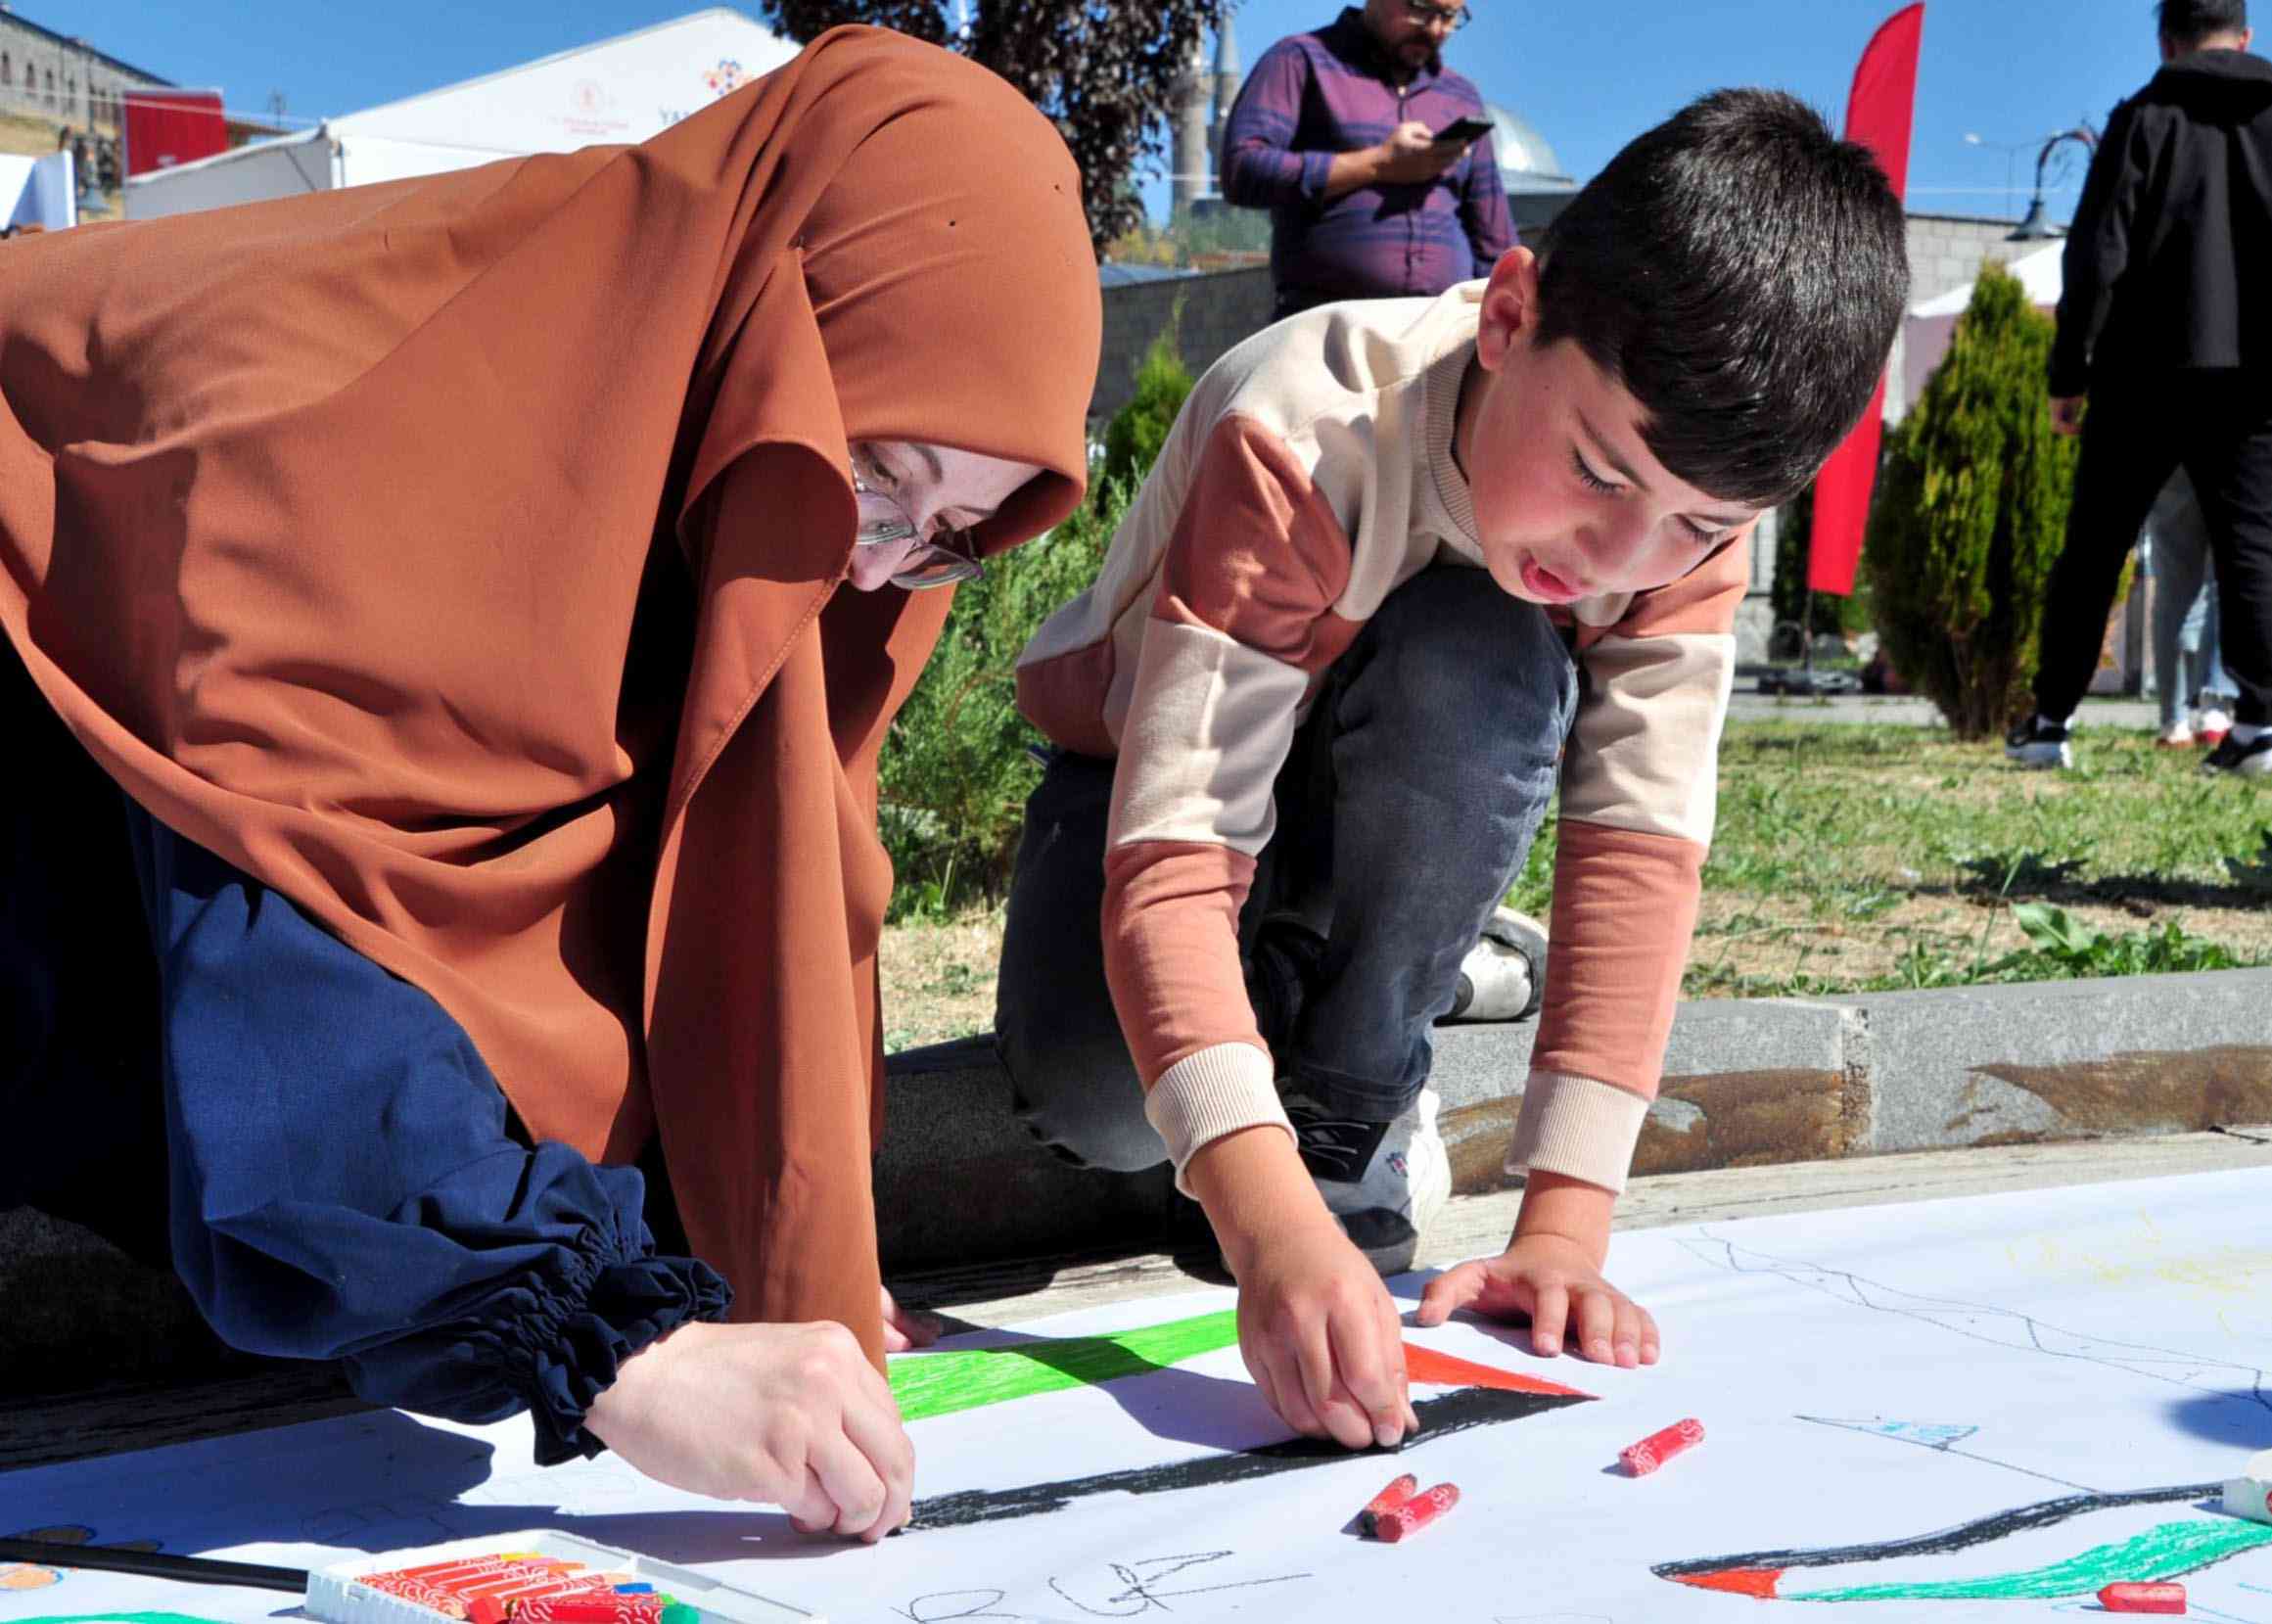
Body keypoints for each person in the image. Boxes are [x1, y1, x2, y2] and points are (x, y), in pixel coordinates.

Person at [0, 28, 1099, 1536]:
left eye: (957, 533)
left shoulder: (697, 460)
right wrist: (617, 1342)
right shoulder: (355, 428)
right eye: (880, 472)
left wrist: (795, 1288)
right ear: (762, 327)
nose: (880, 562)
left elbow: (758, 887)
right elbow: (309, 923)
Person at [997, 90, 1907, 1452]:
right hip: (1148, 786)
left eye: (1699, 525)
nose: (1616, 554)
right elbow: (1175, 859)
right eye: (1598, 468)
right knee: (1102, 1101)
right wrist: (1264, 1222)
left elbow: (1641, 846)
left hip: (1407, 759)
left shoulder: (1675, 528)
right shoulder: (1303, 430)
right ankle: (1429, 964)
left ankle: (1361, 1074)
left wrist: (1564, 1222)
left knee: (1486, 648)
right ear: (1508, 312)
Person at [2009, 0, 2272, 776]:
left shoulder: (2142, 119)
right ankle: (2258, 728)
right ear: (2246, 37)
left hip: (2142, 374)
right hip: (2262, 379)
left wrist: (2070, 370)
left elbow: (2097, 254)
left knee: (2095, 549)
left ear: (2165, 41)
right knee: (2251, 548)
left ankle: (2048, 725)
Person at [1220, 0, 1518, 320]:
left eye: (1449, 16)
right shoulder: (1300, 60)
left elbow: (1494, 240)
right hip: (1323, 332)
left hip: (1440, 335)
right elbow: (1243, 169)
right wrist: (1378, 164)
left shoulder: (1461, 96)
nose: (1434, 28)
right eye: (1420, 9)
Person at [2147, 416, 2272, 747]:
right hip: (2264, 413)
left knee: (2174, 579)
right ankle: (2215, 709)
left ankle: (2173, 722)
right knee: (2243, 561)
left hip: (2175, 404)